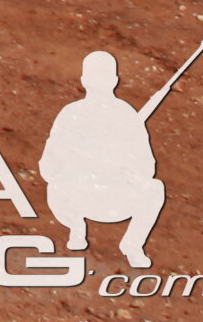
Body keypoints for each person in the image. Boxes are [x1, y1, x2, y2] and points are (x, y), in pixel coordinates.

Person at [41, 49, 169, 269]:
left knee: (154, 187)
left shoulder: (118, 116)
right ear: (115, 80)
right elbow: (50, 166)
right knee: (154, 188)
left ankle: (129, 244)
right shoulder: (89, 114)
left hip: (104, 198)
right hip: (88, 196)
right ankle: (77, 227)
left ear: (83, 81)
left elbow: (49, 165)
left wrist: (118, 164)